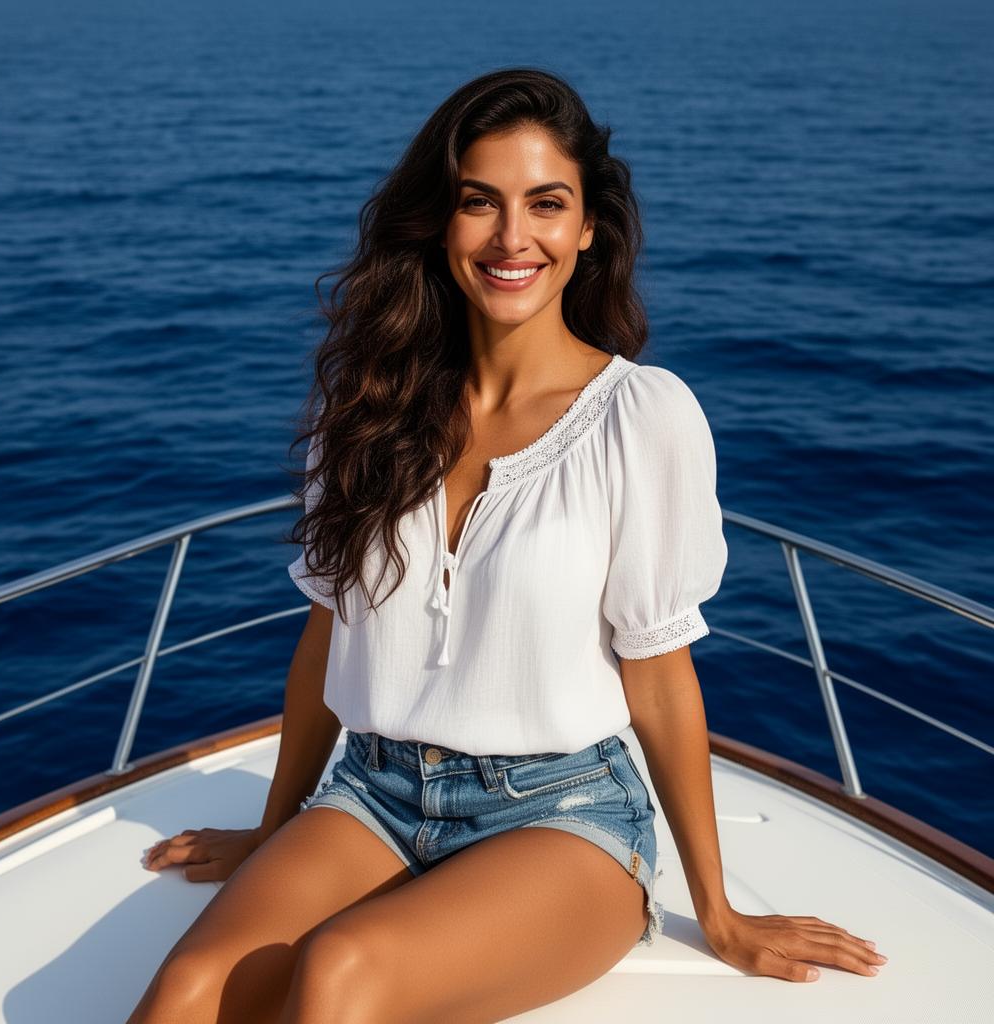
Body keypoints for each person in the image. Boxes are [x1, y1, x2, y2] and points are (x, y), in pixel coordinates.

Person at [128, 67, 885, 1023]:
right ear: (440, 223)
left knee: (339, 974)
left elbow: (659, 673)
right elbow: (326, 638)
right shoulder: (369, 410)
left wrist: (720, 910)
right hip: (375, 791)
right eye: (479, 202)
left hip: (562, 815)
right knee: (184, 995)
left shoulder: (640, 418)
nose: (511, 237)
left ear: (587, 229)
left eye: (545, 204)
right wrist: (273, 831)